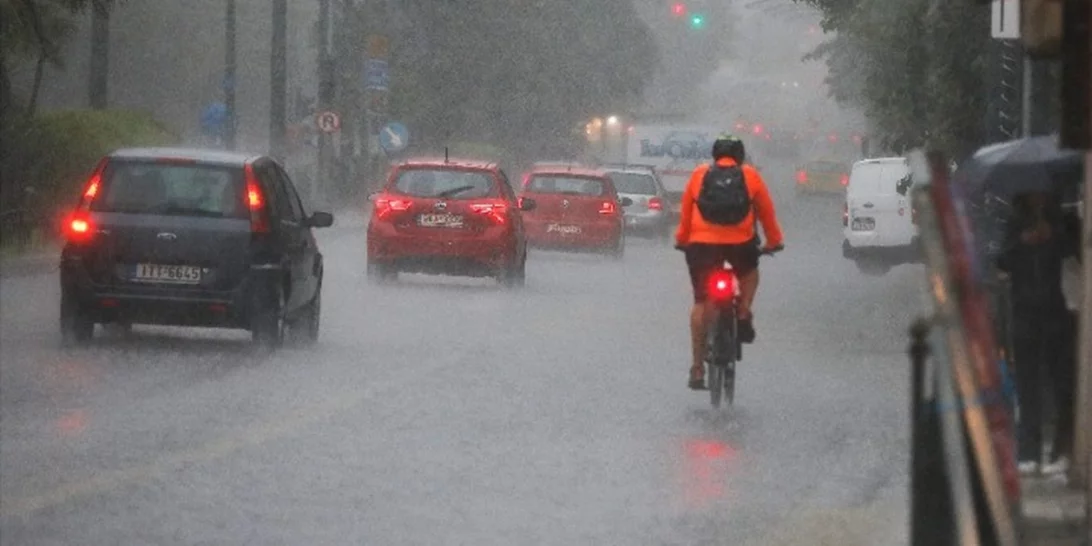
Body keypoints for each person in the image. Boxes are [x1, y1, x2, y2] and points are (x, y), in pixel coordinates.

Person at [675, 134, 784, 390]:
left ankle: (698, 368)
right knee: (749, 272)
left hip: (702, 247)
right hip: (740, 244)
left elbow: (686, 215)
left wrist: (682, 240)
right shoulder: (751, 176)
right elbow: (767, 214)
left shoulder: (699, 174)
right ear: (740, 156)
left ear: (714, 155)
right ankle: (744, 311)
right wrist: (773, 242)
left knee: (701, 302)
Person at [996, 191, 1079, 473]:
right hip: (1025, 314)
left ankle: (1061, 450)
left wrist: (1052, 237)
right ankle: (1029, 452)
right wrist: (1023, 242)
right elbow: (1002, 260)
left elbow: (1076, 253)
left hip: (1057, 314)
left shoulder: (1062, 222)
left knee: (1061, 384)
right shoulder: (1015, 223)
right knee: (1027, 385)